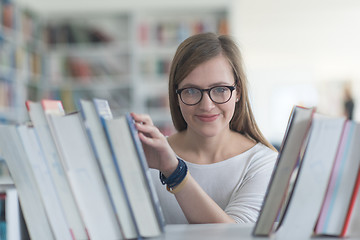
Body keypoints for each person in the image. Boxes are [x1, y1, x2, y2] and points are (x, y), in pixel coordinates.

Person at [131, 32, 278, 224]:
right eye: (191, 91)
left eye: (219, 90)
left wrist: (174, 172)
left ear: (238, 92)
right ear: (176, 96)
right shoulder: (148, 156)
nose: (207, 105)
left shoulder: (263, 162)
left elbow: (235, 237)